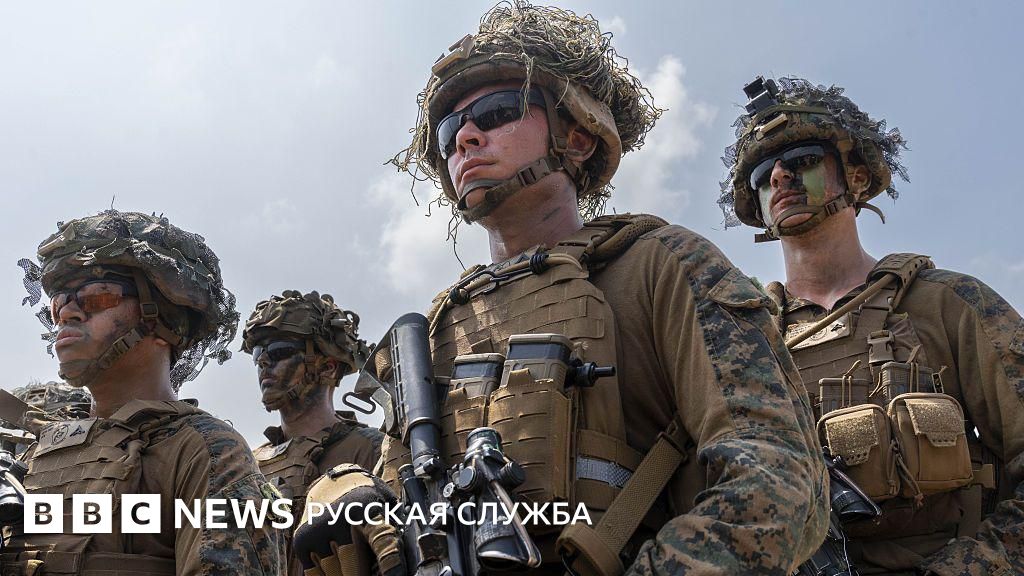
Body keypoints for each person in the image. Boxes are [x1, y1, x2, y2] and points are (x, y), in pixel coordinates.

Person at [299, 3, 828, 575]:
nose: (466, 138)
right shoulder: (435, 329)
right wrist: (340, 489)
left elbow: (778, 480)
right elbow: (399, 488)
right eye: (450, 132)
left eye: (497, 112)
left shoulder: (660, 266)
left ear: (577, 140)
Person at [719, 76, 1024, 575]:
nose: (779, 177)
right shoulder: (747, 342)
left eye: (802, 160)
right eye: (762, 175)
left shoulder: (946, 304)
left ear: (856, 179)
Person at [2, 209, 285, 575]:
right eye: (60, 303)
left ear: (163, 320)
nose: (68, 314)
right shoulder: (39, 451)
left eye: (97, 297)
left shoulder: (204, 451)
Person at [242, 290, 383, 576]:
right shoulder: (246, 463)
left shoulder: (372, 450)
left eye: (279, 351)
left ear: (328, 368)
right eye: (258, 354)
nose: (264, 362)